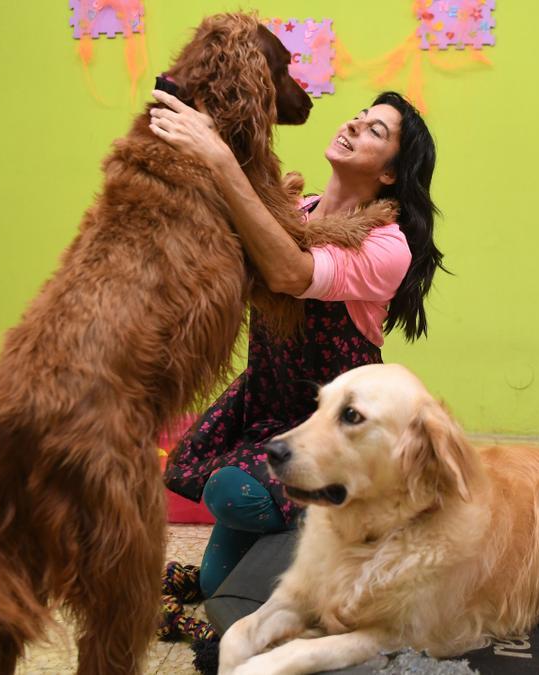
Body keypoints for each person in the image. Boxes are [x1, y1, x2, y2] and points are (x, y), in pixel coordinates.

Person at [146, 88, 445, 641]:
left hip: (331, 428)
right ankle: (293, 529)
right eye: (359, 115)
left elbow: (289, 272)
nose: (355, 125)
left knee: (234, 494)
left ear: (388, 175)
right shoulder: (293, 210)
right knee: (216, 587)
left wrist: (218, 157)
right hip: (267, 396)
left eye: (376, 131)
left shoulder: (386, 244)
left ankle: (326, 511)